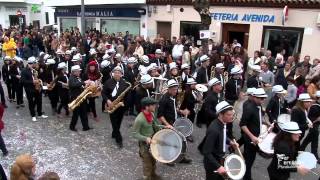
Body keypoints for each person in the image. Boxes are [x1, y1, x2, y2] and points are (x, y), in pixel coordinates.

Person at [157, 79, 192, 164]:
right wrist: (167, 125)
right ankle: (167, 159)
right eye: (174, 89)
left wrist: (181, 111)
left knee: (179, 141)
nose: (176, 91)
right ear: (169, 89)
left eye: (176, 89)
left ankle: (180, 157)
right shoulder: (164, 99)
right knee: (168, 142)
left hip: (175, 122)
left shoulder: (173, 97)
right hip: (169, 124)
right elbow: (160, 115)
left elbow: (174, 108)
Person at [202, 101, 239, 180]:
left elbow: (222, 136)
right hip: (212, 164)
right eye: (229, 115)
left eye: (232, 114)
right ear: (220, 114)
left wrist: (230, 142)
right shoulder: (214, 130)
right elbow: (206, 152)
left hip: (219, 159)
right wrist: (218, 166)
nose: (231, 117)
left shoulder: (222, 124)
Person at [132, 97, 163, 180]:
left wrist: (163, 128)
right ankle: (147, 177)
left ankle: (153, 175)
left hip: (152, 141)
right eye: (153, 105)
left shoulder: (151, 114)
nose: (155, 107)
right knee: (147, 164)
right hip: (144, 145)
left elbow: (154, 125)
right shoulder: (139, 119)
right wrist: (146, 138)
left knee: (153, 161)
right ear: (146, 107)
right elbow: (134, 134)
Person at [240, 88, 267, 180]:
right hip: (250, 139)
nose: (262, 100)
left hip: (255, 138)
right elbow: (242, 125)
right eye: (260, 98)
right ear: (254, 97)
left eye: (263, 98)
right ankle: (246, 177)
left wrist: (267, 124)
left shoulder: (258, 107)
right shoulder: (249, 108)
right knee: (249, 161)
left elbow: (258, 119)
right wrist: (252, 137)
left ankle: (238, 163)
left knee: (247, 156)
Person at [102, 66, 130, 148]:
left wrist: (125, 104)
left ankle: (114, 133)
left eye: (119, 73)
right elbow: (103, 93)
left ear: (121, 74)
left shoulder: (124, 83)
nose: (117, 74)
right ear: (113, 73)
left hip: (121, 106)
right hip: (111, 105)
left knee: (119, 122)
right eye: (116, 72)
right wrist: (107, 100)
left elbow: (127, 95)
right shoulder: (108, 82)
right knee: (114, 122)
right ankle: (119, 139)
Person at [20, 57, 48, 122]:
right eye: (34, 63)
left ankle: (40, 114)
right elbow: (22, 81)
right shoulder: (24, 71)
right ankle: (33, 115)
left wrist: (40, 80)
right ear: (31, 64)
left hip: (37, 88)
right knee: (31, 102)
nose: (35, 65)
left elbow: (39, 77)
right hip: (29, 90)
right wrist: (32, 82)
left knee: (39, 101)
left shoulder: (35, 70)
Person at [68, 65, 91, 132]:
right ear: (74, 72)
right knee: (76, 114)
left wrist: (85, 85)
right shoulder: (71, 78)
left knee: (84, 113)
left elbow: (80, 84)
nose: (79, 72)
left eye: (79, 71)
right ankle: (72, 127)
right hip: (75, 98)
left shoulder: (78, 77)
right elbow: (73, 85)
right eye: (78, 71)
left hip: (81, 98)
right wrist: (84, 82)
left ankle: (86, 127)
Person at [300, 91, 320, 163]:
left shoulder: (316, 105)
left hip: (315, 127)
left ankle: (301, 152)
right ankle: (315, 156)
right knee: (313, 142)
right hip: (313, 126)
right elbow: (310, 118)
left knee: (308, 141)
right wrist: (317, 119)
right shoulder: (315, 107)